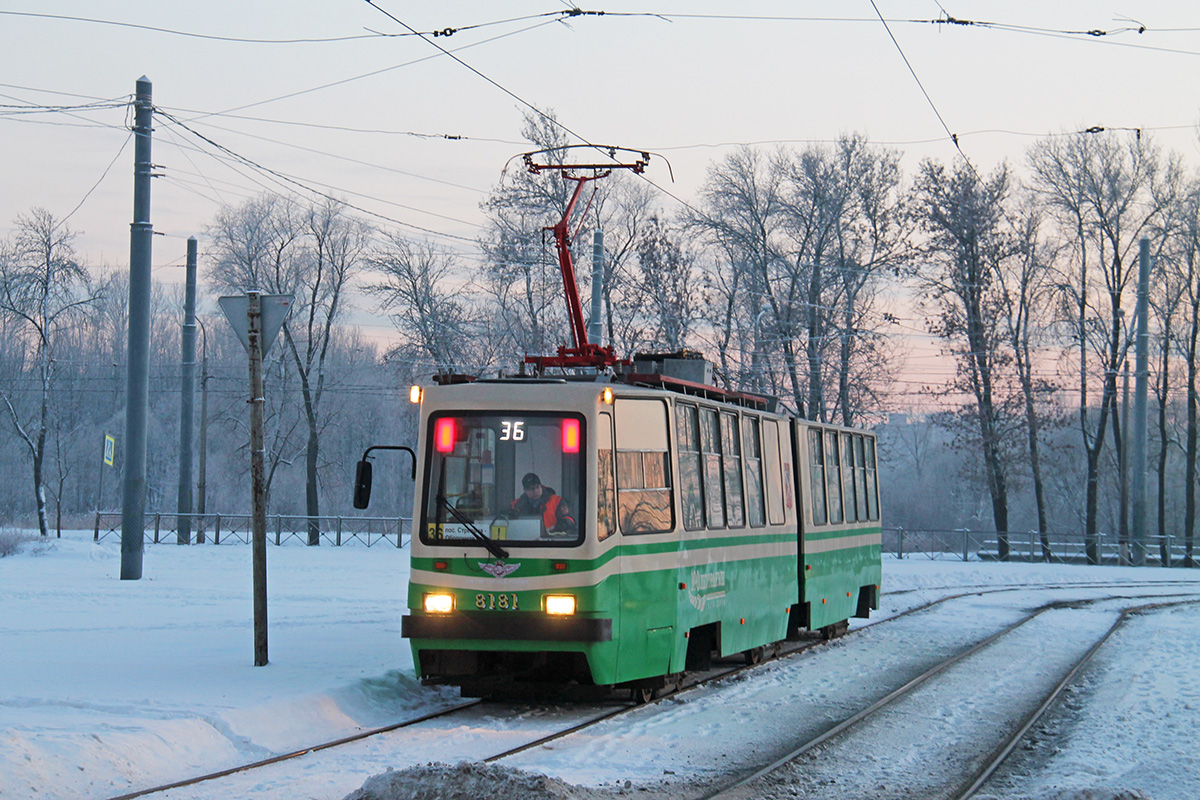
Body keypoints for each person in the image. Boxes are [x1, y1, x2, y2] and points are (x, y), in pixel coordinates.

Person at [511, 472, 576, 533]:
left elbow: (570, 519)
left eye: (538, 487)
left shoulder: (557, 501)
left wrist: (557, 527)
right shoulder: (515, 506)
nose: (536, 491)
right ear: (525, 490)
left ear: (541, 486)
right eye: (532, 489)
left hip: (552, 541)